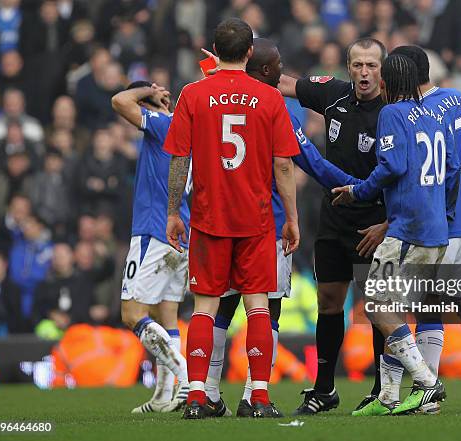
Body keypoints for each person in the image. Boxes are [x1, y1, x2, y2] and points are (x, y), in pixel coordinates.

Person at [202, 38, 360, 417]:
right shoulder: (275, 107)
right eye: (279, 64)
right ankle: (253, 396)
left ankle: (205, 392)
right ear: (270, 70)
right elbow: (311, 163)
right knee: (267, 310)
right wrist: (361, 188)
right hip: (264, 224)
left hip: (221, 220)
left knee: (222, 307)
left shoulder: (209, 97)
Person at [354, 45, 461, 415]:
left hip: (435, 222)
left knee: (402, 305)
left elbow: (416, 171)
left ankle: (421, 394)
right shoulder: (457, 100)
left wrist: (389, 220)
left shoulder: (414, 113)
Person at [164, 18, 300, 419]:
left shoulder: (192, 95)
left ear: (215, 49)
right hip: (256, 220)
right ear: (249, 53)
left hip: (208, 218)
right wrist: (291, 218)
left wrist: (174, 211)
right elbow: (284, 166)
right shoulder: (270, 98)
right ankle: (258, 396)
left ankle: (195, 396)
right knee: (258, 306)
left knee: (205, 308)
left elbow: (179, 159)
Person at [331, 53, 459, 415]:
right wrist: (442, 213)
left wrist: (357, 191)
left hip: (409, 230)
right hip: (434, 228)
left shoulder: (391, 113)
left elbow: (392, 166)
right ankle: (388, 396)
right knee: (396, 310)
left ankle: (427, 382)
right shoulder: (435, 115)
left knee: (377, 305)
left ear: (386, 83)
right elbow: (452, 169)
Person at [277, 37, 389, 414]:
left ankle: (382, 389)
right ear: (348, 66)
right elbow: (286, 83)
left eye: (371, 65)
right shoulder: (335, 95)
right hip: (334, 219)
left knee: (378, 308)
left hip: (376, 222)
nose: (364, 72)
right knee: (330, 302)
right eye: (357, 64)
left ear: (382, 70)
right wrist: (237, 67)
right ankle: (325, 389)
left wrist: (389, 223)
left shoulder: (395, 112)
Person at [111, 80, 191, 413]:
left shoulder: (164, 125)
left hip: (154, 232)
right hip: (183, 236)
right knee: (166, 315)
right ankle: (162, 396)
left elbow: (119, 101)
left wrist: (147, 93)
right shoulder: (191, 133)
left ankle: (186, 379)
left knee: (132, 313)